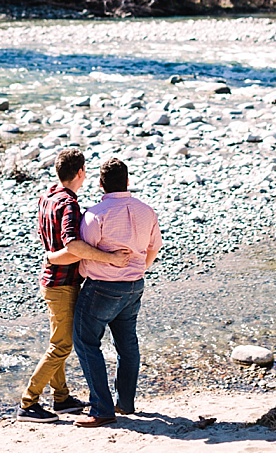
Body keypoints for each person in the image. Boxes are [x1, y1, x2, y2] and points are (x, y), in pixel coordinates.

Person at [17, 148, 132, 423]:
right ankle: (28, 402)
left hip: (50, 280)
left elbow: (49, 237)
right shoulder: (69, 203)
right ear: (80, 173)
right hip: (62, 283)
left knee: (57, 341)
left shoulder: (47, 195)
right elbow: (72, 245)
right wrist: (110, 258)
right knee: (62, 346)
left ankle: (61, 397)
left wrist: (51, 255)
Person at [70, 157, 162, 428]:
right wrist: (138, 269)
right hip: (134, 285)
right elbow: (154, 247)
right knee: (127, 344)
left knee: (86, 342)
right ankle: (126, 402)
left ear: (100, 184)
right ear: (128, 181)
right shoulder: (147, 211)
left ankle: (101, 408)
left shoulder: (95, 213)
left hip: (102, 287)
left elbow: (85, 251)